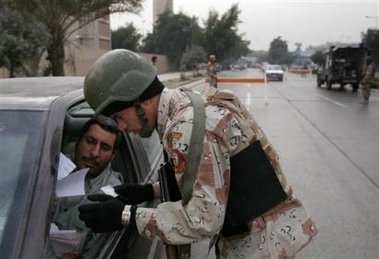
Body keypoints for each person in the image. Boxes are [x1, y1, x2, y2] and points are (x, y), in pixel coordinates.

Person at [79, 49, 317, 258]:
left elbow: (203, 220)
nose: (121, 127)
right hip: (265, 237)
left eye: (120, 117)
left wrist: (125, 216)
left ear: (142, 101)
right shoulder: (190, 102)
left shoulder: (186, 125)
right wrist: (148, 190)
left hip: (260, 247)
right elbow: (214, 175)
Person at [52, 115, 123, 258]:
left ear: (112, 156)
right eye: (90, 141)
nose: (95, 153)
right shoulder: (50, 166)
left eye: (105, 147)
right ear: (78, 141)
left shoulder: (110, 196)